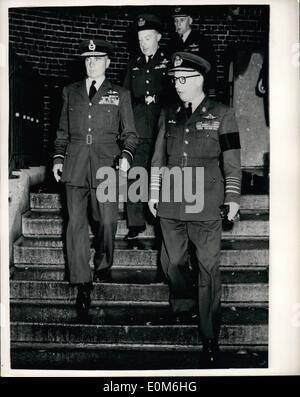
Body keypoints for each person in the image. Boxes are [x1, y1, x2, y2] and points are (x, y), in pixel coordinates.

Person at [149, 51, 241, 367]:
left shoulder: (223, 113)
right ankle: (184, 298)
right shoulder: (168, 112)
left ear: (200, 79)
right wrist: (153, 190)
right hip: (173, 198)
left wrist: (232, 197)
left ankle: (209, 335)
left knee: (208, 267)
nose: (177, 84)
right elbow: (158, 157)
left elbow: (232, 161)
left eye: (183, 79)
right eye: (175, 79)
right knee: (172, 261)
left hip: (206, 202)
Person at [52, 39, 138, 320]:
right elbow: (62, 131)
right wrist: (58, 158)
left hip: (106, 165)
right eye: (87, 59)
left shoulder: (120, 93)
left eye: (97, 58)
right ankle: (82, 282)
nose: (91, 63)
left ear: (107, 63)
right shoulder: (70, 92)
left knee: (107, 221)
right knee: (75, 224)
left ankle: (103, 262)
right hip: (75, 164)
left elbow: (131, 134)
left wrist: (126, 154)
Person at [123, 14, 173, 240]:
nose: (143, 43)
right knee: (136, 172)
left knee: (162, 171)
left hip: (162, 124)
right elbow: (125, 94)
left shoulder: (169, 61)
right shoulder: (133, 62)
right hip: (139, 125)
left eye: (148, 38)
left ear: (158, 37)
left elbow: (176, 93)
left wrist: (158, 98)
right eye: (140, 38)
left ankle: (165, 217)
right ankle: (135, 223)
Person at [166, 6, 217, 97]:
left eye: (182, 20)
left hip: (197, 91)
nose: (178, 24)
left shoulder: (202, 41)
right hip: (178, 92)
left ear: (190, 21)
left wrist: (211, 92)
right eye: (176, 21)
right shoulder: (171, 43)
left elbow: (211, 67)